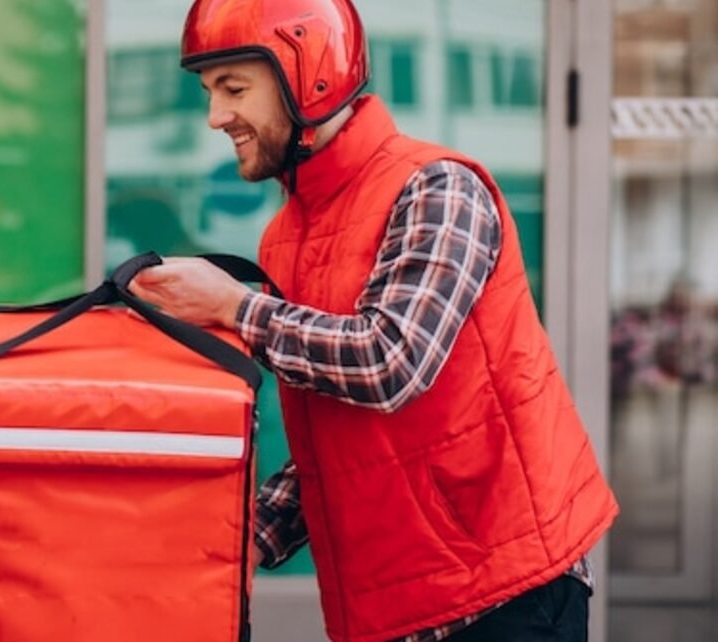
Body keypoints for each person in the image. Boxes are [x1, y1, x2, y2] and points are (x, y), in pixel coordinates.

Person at [127, 1, 619, 641]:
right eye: (209, 92)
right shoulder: (287, 236)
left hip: (503, 594)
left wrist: (233, 307)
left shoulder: (435, 188)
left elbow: (390, 361)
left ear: (310, 77)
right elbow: (342, 430)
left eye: (234, 88)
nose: (217, 116)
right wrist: (251, 538)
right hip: (394, 605)